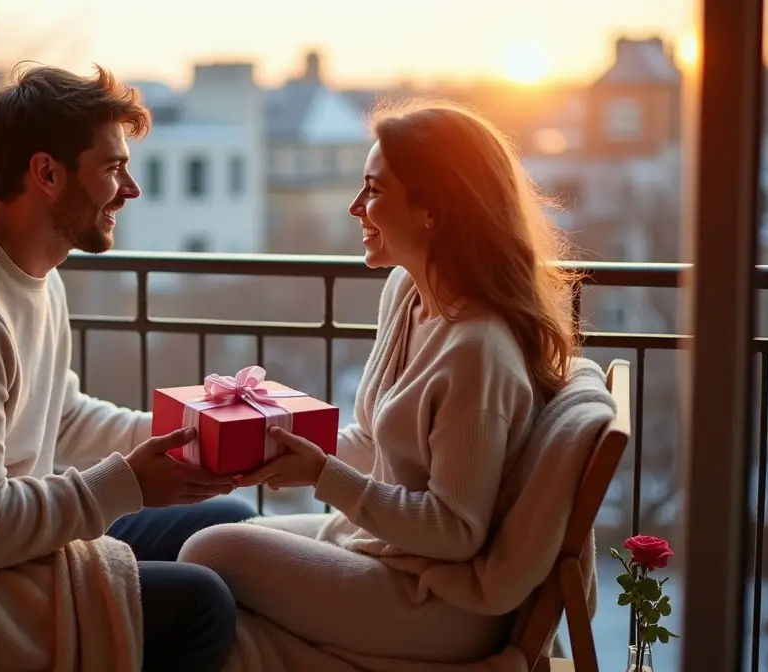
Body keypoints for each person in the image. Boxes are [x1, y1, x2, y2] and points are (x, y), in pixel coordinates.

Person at [0, 63, 255, 672]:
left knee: (233, 529)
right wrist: (130, 483)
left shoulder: (32, 268)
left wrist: (184, 438)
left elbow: (58, 415)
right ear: (46, 173)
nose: (130, 189)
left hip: (18, 542)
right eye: (113, 168)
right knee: (205, 605)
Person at [178, 100, 580, 664]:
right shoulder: (408, 293)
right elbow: (371, 443)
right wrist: (274, 443)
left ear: (432, 211)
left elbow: (455, 531)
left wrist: (320, 476)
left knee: (210, 551)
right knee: (198, 542)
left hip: (437, 600)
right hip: (380, 550)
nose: (354, 206)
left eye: (373, 190)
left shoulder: (477, 353)